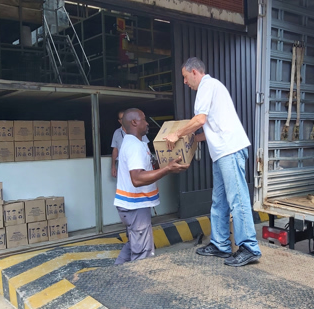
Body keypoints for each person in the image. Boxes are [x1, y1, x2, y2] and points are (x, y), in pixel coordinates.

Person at [164, 57, 262, 267]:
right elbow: (210, 128)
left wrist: (177, 135)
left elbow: (200, 120)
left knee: (238, 198)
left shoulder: (206, 86)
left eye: (185, 77)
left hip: (230, 150)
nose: (184, 82)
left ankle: (249, 247)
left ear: (194, 73)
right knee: (220, 200)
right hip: (221, 152)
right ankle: (220, 244)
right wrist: (191, 139)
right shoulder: (213, 88)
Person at [114, 108, 189, 265]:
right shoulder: (134, 146)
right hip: (135, 207)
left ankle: (116, 274)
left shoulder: (136, 143)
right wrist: (167, 169)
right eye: (144, 119)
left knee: (133, 244)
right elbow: (137, 179)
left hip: (132, 206)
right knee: (142, 254)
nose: (147, 123)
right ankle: (138, 286)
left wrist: (163, 164)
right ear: (134, 122)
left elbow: (145, 169)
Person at [111, 109, 150, 177]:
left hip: (141, 164)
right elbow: (115, 149)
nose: (147, 123)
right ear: (120, 121)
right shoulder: (117, 133)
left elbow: (146, 146)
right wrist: (113, 166)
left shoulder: (140, 132)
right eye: (122, 118)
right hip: (123, 164)